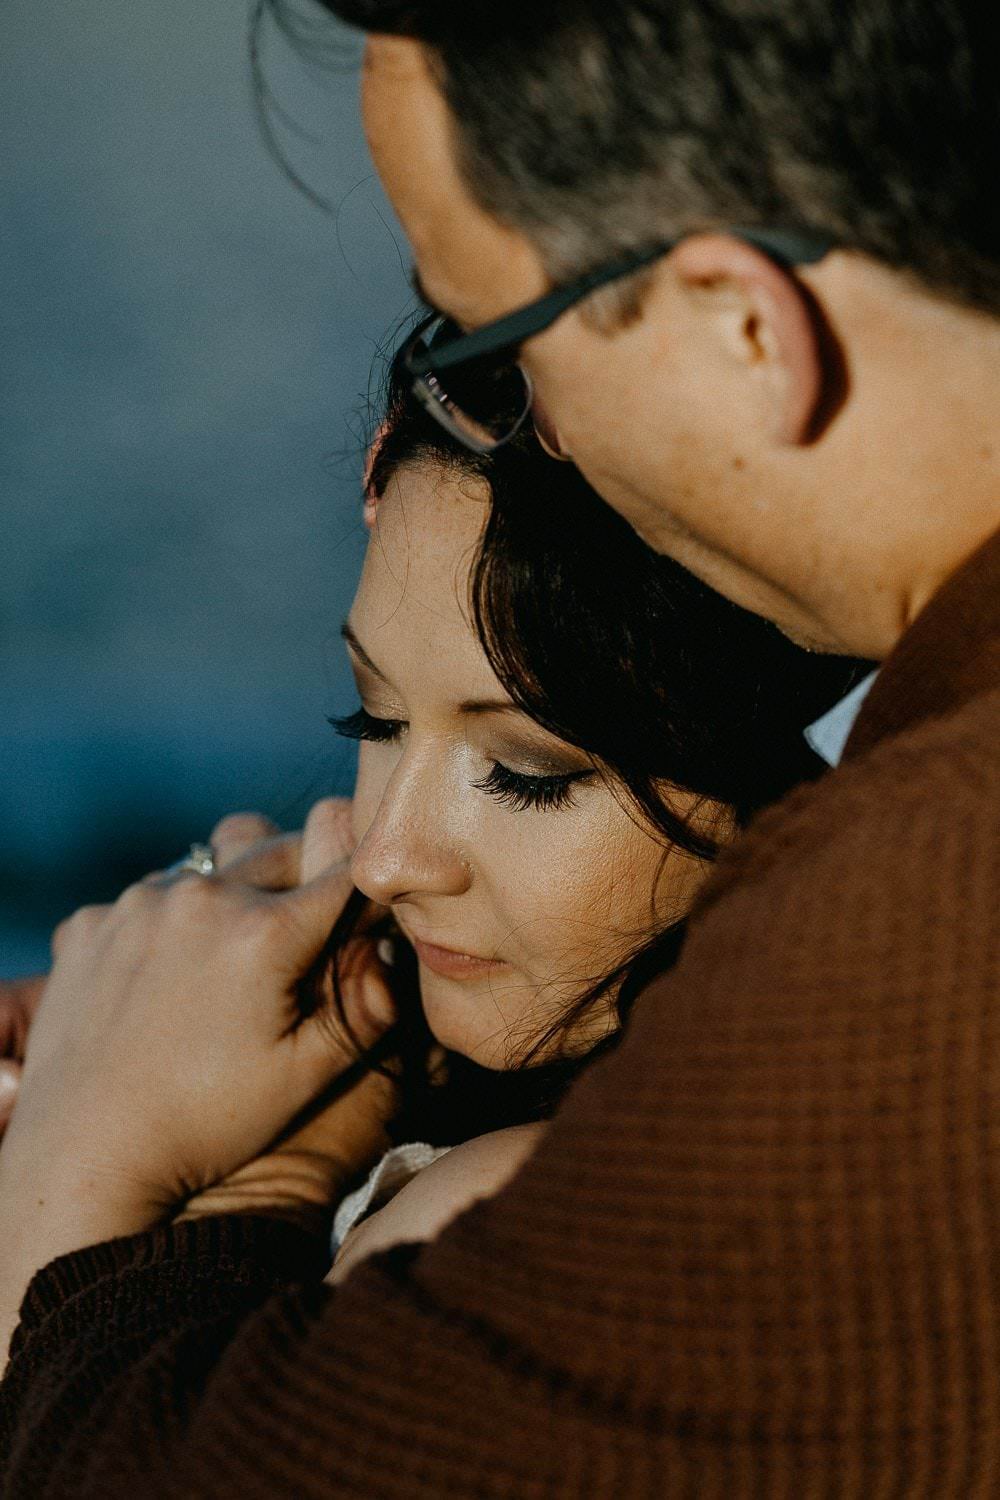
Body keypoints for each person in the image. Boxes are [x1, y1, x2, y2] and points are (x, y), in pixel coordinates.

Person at [2, 0, 999, 1493]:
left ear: (744, 323)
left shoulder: (923, 947)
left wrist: (95, 1167)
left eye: (491, 330)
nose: (521, 425)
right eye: (370, 721)